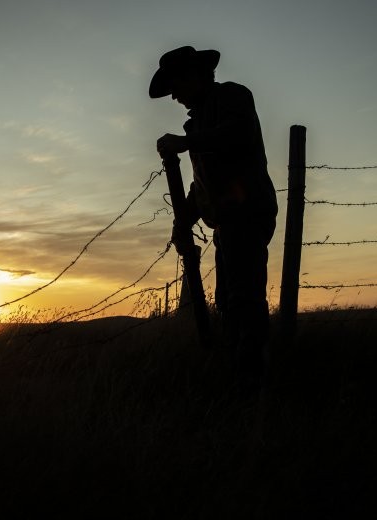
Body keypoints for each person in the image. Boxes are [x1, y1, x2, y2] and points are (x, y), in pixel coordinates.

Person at [150, 46, 278, 388]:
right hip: (228, 222)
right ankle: (242, 372)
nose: (174, 96)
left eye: (176, 85)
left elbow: (238, 134)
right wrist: (184, 220)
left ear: (194, 76)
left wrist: (185, 142)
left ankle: (253, 380)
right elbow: (202, 185)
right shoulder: (199, 121)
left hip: (247, 215)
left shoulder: (233, 97)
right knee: (229, 301)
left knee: (243, 300)